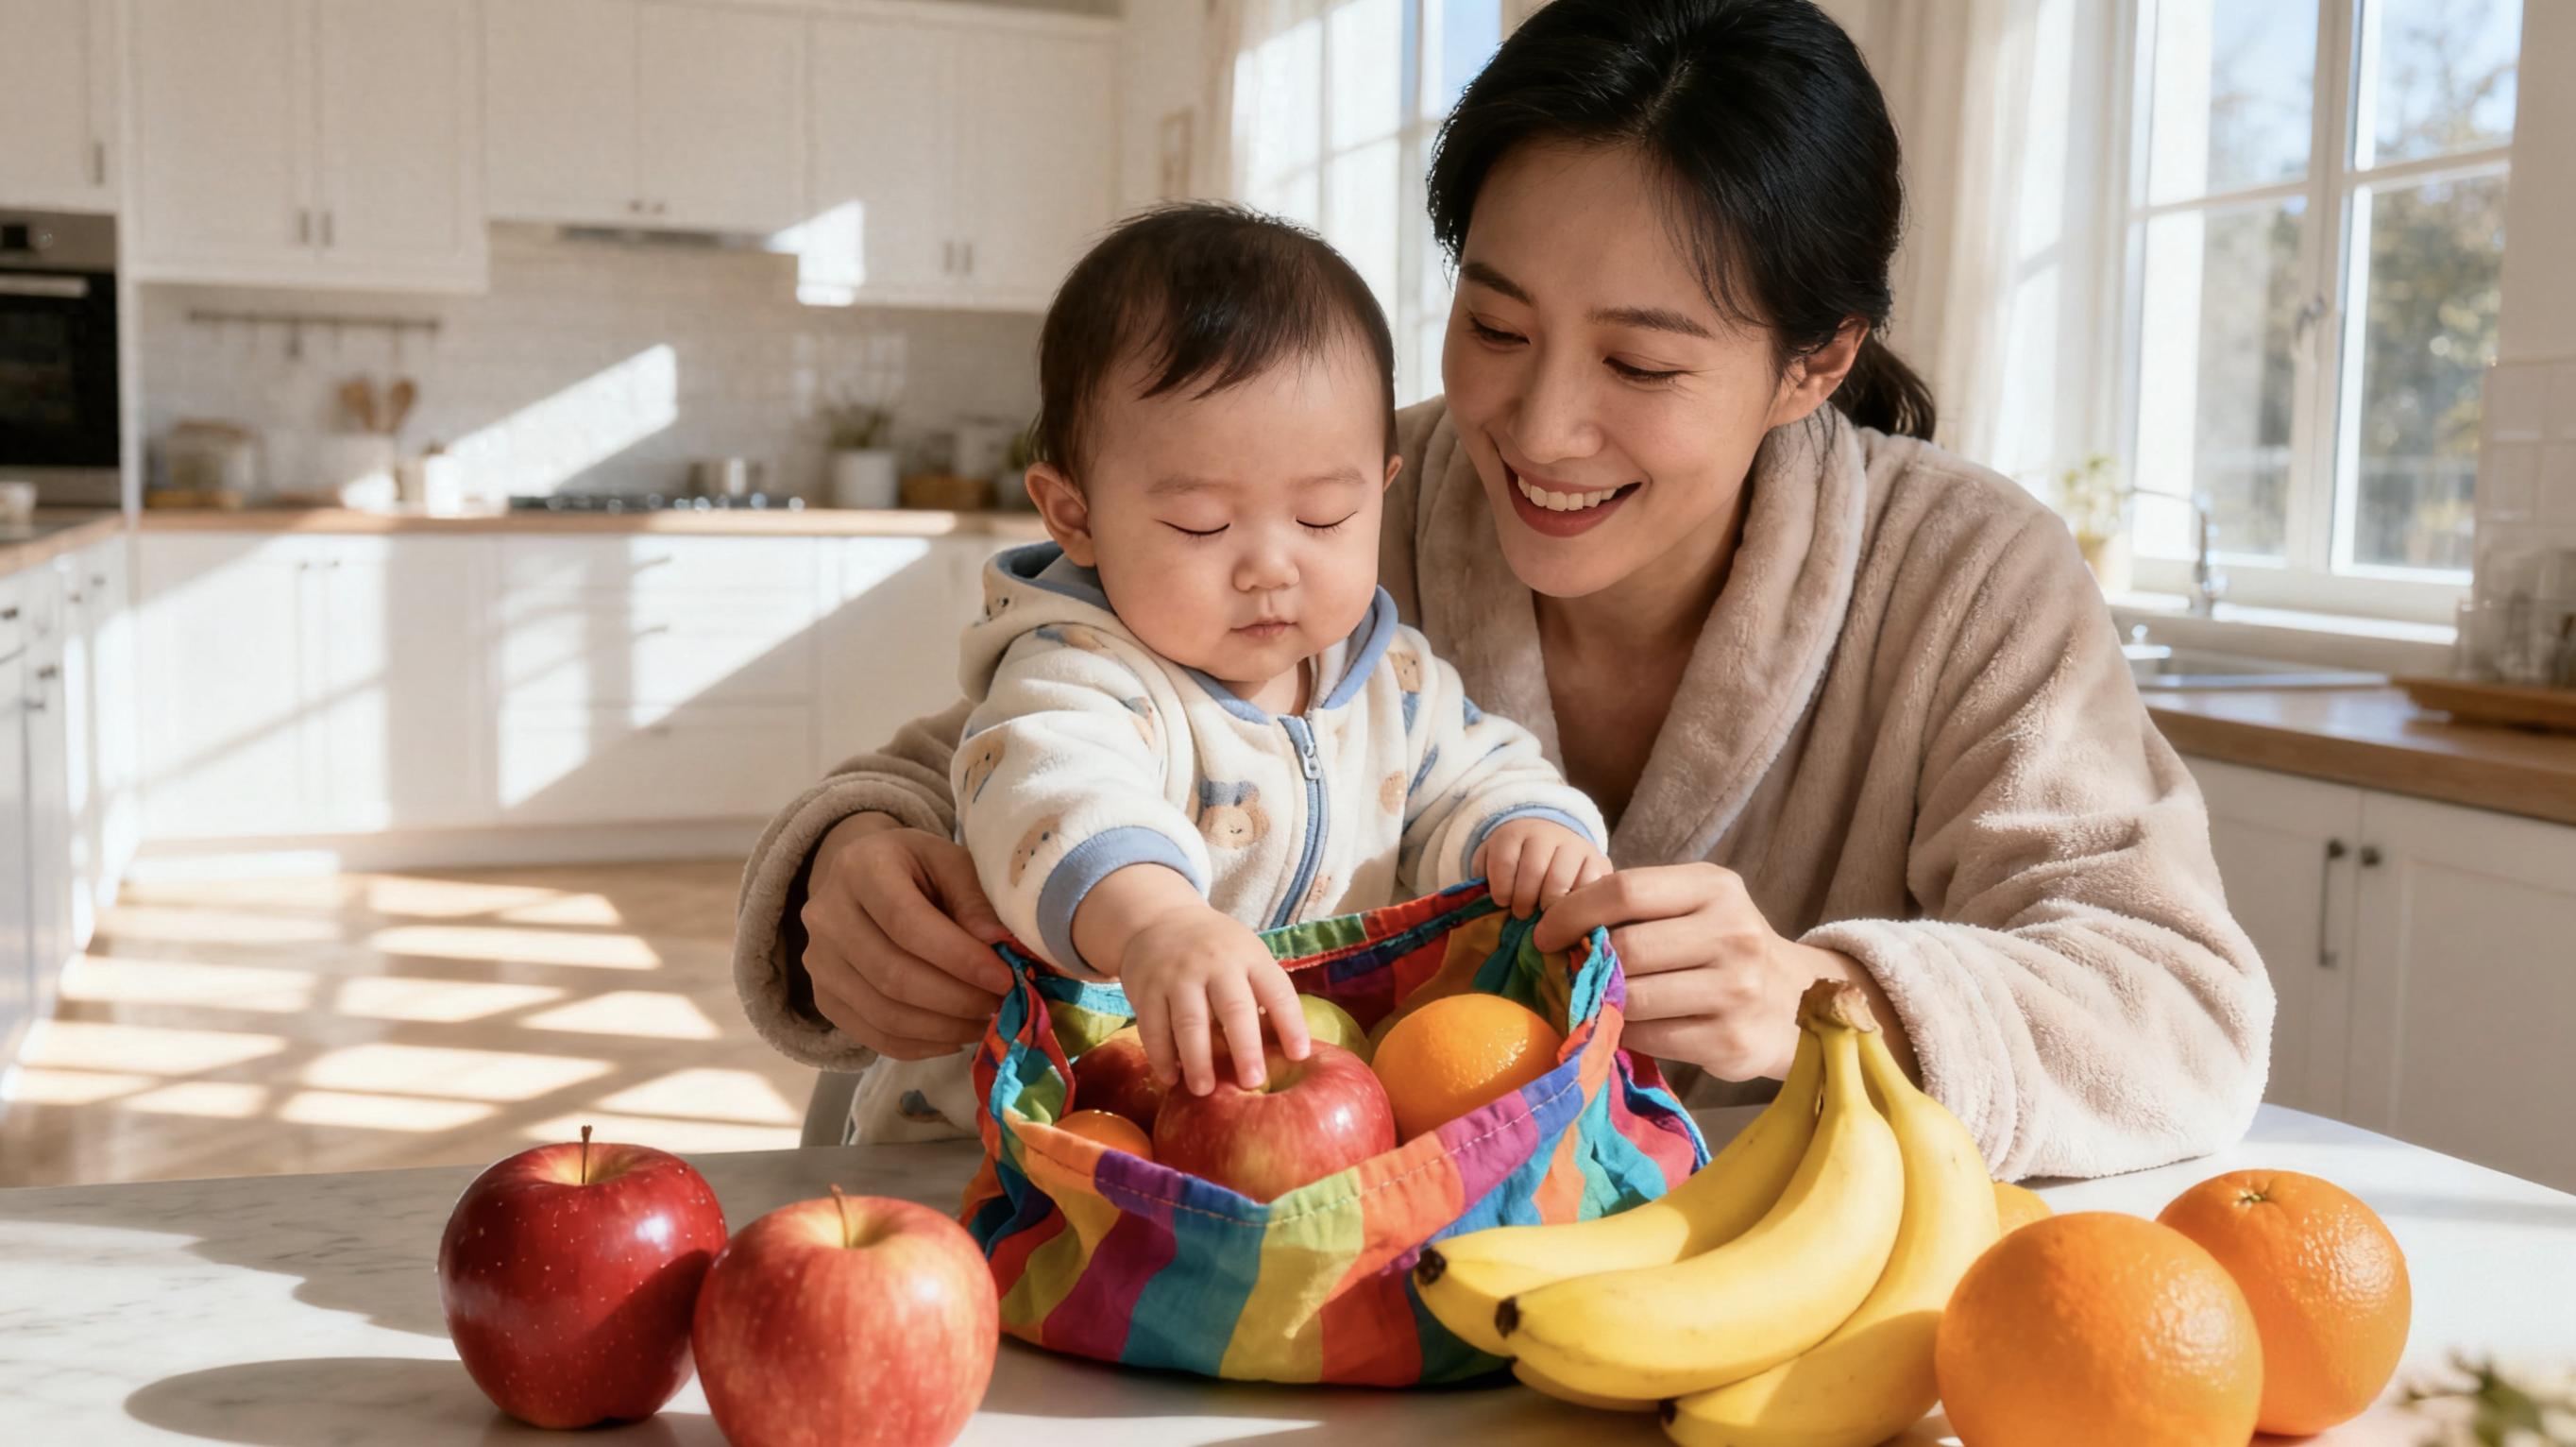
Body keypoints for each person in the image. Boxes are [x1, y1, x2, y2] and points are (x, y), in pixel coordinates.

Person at [737, 0, 2273, 1179]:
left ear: (1814, 362)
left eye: (1641, 362)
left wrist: (1819, 995)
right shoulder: (1325, 513)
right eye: (1494, 323)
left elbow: (2177, 1003)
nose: (1535, 431)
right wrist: (853, 867)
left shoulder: (1964, 572)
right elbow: (1031, 723)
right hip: (1281, 1262)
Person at [915, 204, 1606, 1135]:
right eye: (1202, 525)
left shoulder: (1391, 680)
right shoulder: (1076, 671)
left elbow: (1478, 773)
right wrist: (1156, 922)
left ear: (1382, 490)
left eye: (1323, 517)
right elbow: (1053, 794)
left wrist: (1524, 828)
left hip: (1278, 1117)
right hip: (1054, 1121)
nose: (1270, 566)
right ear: (1072, 514)